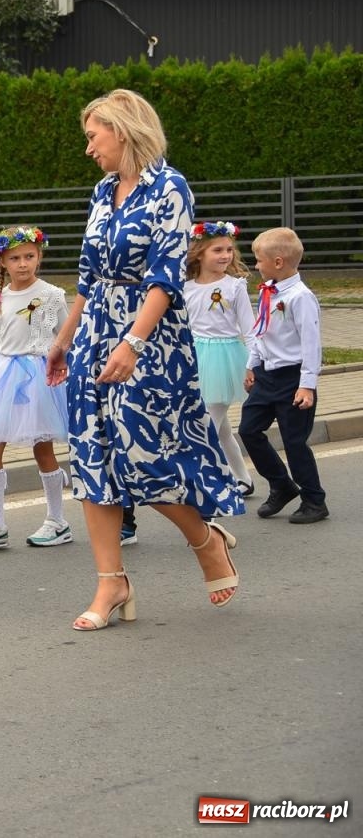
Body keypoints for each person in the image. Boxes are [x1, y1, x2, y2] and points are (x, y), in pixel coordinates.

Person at [45, 89, 242, 632]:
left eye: (93, 136)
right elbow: (89, 275)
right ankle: (113, 583)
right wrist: (64, 338)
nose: (89, 149)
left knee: (144, 455)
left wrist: (132, 343)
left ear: (123, 131)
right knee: (93, 457)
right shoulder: (103, 191)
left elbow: (164, 275)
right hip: (95, 332)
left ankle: (206, 541)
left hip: (149, 336)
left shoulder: (169, 188)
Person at [0, 227, 73, 550]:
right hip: (0, 376)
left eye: (29, 256)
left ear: (39, 256)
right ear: (2, 263)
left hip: (37, 375)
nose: (23, 264)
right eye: (15, 258)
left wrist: (64, 365)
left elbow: (65, 336)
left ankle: (57, 520)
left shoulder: (51, 294)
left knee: (42, 448)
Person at [241, 228, 328, 524]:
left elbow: (311, 343)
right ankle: (281, 484)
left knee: (294, 441)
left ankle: (315, 500)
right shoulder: (269, 289)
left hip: (293, 378)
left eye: (258, 259)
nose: (256, 265)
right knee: (249, 429)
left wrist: (307, 385)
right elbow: (260, 330)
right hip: (267, 375)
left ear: (278, 262)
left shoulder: (300, 297)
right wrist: (252, 364)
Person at [183, 221, 257, 498]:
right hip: (196, 357)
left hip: (225, 359)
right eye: (217, 250)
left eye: (228, 250)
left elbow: (249, 329)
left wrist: (253, 364)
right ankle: (242, 478)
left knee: (207, 425)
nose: (225, 255)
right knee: (222, 428)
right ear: (200, 253)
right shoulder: (186, 288)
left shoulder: (235, 286)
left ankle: (207, 481)